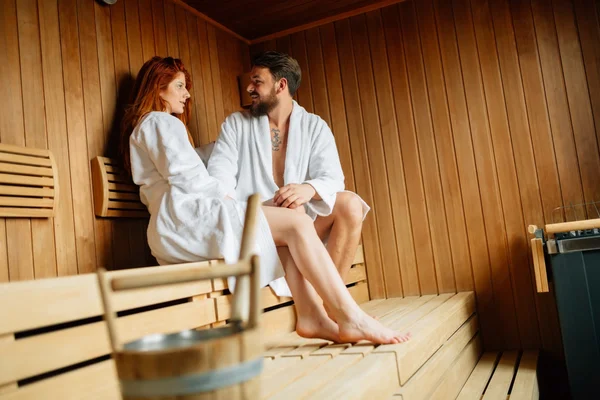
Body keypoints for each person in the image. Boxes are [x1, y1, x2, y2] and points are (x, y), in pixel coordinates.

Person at [120, 56, 409, 345]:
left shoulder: (156, 125)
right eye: (180, 86)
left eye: (257, 81)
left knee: (295, 221)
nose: (187, 94)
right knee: (293, 223)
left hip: (183, 218)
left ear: (281, 85)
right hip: (186, 220)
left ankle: (314, 314)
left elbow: (189, 170)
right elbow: (193, 180)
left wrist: (300, 191)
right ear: (158, 88)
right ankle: (347, 316)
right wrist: (251, 207)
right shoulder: (161, 122)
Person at [207, 51, 366, 294]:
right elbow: (219, 180)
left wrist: (308, 189)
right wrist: (261, 209)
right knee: (293, 210)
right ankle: (330, 308)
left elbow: (333, 178)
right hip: (258, 224)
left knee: (351, 205)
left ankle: (331, 305)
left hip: (301, 224)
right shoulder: (236, 124)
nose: (249, 88)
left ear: (281, 85)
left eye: (257, 81)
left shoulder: (314, 127)